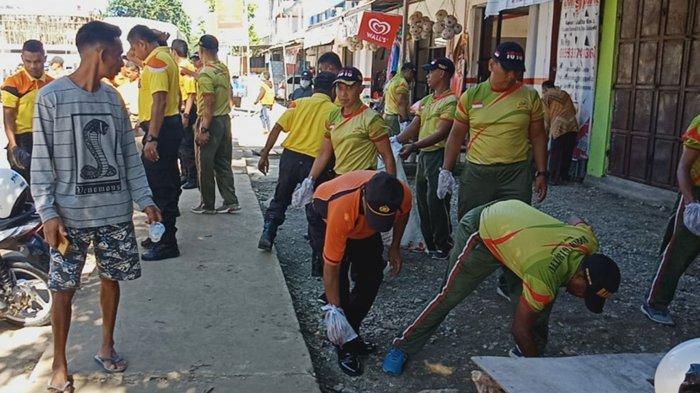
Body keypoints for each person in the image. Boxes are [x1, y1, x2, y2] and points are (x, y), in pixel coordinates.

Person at [31, 20, 161, 393]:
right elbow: (42, 162)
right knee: (63, 288)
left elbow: (127, 156)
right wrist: (48, 213)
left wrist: (145, 199)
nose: (124, 62)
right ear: (101, 53)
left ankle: (106, 344)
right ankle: (59, 363)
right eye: (119, 55)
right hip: (69, 217)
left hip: (114, 212)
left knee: (111, 278)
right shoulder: (51, 98)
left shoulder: (113, 99)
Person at [382, 200, 621, 375]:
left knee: (541, 302)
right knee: (449, 295)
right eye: (585, 293)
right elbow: (518, 328)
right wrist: (540, 373)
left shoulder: (588, 241)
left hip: (519, 239)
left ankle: (529, 351)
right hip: (483, 231)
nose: (581, 298)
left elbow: (573, 218)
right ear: (581, 275)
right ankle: (402, 347)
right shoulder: (544, 273)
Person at [310, 170, 411, 376]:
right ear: (364, 196)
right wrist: (334, 312)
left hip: (361, 227)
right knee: (340, 286)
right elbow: (332, 268)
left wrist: (394, 247)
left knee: (372, 276)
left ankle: (352, 333)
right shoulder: (342, 206)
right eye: (374, 215)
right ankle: (343, 345)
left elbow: (404, 215)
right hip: (326, 216)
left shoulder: (401, 195)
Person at [302, 67, 397, 276]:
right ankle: (335, 292)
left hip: (364, 187)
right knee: (337, 236)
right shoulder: (334, 116)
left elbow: (387, 157)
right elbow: (324, 153)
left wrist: (390, 190)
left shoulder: (371, 119)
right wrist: (310, 179)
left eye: (349, 88)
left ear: (360, 89)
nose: (343, 94)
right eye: (339, 88)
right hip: (339, 184)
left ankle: (368, 276)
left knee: (363, 235)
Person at [439, 42, 548, 221]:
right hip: (477, 172)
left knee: (514, 225)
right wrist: (446, 170)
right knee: (472, 223)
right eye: (506, 70)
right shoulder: (472, 96)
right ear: (491, 65)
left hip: (516, 174)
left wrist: (542, 172)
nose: (512, 76)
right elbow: (456, 135)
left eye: (517, 71)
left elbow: (538, 136)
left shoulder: (529, 96)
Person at [257, 72, 337, 251]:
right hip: (316, 163)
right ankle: (319, 259)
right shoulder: (335, 111)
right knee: (316, 208)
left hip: (290, 158)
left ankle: (268, 232)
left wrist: (265, 154)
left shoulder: (298, 103)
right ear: (333, 90)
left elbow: (277, 127)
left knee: (280, 197)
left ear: (314, 87)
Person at [127, 24, 184, 261]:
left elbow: (159, 102)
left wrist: (152, 138)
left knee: (160, 187)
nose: (132, 53)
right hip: (168, 127)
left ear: (141, 43)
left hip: (161, 130)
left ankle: (167, 242)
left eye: (133, 47)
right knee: (166, 182)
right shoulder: (163, 56)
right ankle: (159, 235)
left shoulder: (156, 63)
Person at [395, 58, 457, 260]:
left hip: (438, 155)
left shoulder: (451, 101)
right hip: (424, 155)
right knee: (421, 197)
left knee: (436, 199)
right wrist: (395, 140)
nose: (428, 75)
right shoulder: (428, 100)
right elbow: (415, 124)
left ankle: (444, 244)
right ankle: (429, 241)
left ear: (443, 73)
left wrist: (414, 145)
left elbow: (442, 133)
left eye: (431, 72)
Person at [641, 114, 700, 326]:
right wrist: (691, 203)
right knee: (678, 251)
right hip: (696, 195)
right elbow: (683, 168)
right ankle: (655, 302)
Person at [190, 35, 240, 215]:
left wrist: (203, 129)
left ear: (201, 50)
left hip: (209, 121)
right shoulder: (222, 69)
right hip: (225, 120)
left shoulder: (206, 73)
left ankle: (207, 204)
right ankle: (231, 201)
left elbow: (208, 104)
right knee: (223, 163)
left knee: (204, 164)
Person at [2, 39, 54, 184]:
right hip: (22, 139)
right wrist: (13, 146)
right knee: (24, 185)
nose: (32, 66)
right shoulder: (13, 82)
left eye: (37, 61)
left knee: (46, 183)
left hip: (46, 137)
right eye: (28, 61)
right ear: (22, 59)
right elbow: (8, 118)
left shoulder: (53, 83)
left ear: (45, 58)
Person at [171, 38, 199, 190]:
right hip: (180, 110)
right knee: (181, 147)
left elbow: (191, 95)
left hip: (187, 111)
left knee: (187, 146)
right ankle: (185, 174)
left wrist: (186, 115)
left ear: (174, 52)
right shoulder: (179, 67)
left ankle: (193, 177)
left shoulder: (185, 68)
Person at [541, 80, 578, 184]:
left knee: (556, 153)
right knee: (567, 152)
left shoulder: (546, 97)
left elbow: (546, 118)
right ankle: (564, 176)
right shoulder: (564, 94)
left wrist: (545, 135)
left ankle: (553, 178)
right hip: (572, 125)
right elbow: (574, 111)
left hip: (558, 127)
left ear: (545, 89)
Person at [383, 62, 416, 135]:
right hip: (395, 119)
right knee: (396, 144)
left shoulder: (393, 80)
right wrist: (406, 121)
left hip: (387, 115)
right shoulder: (402, 83)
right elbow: (401, 104)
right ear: (409, 71)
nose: (412, 77)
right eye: (412, 74)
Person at [116, 61, 140, 128]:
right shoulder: (123, 87)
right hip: (129, 119)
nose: (127, 75)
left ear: (136, 71)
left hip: (141, 119)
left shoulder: (143, 85)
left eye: (129, 73)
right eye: (126, 73)